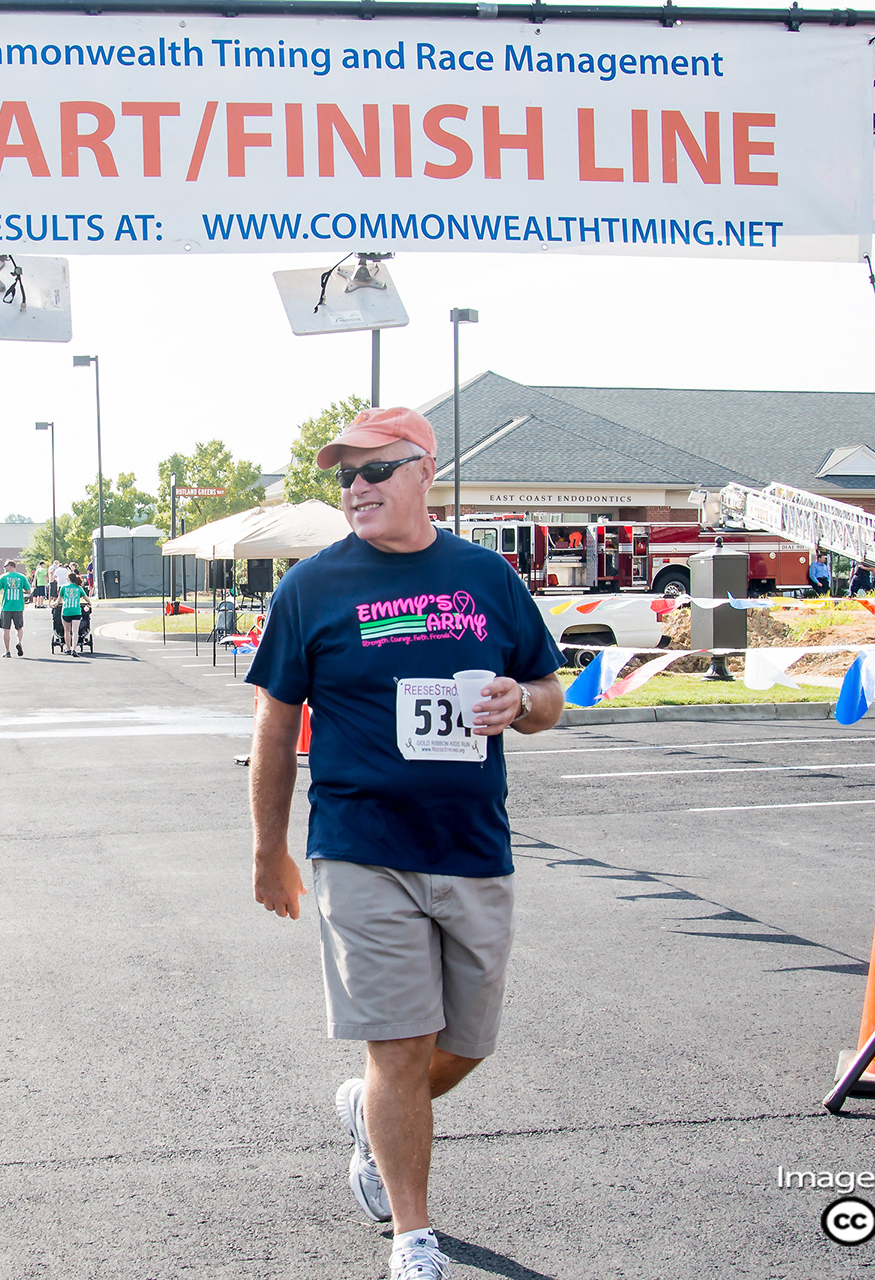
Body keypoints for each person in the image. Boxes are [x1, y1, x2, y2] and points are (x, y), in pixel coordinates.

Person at [243, 406, 565, 1280]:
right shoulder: (311, 587)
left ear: (425, 470)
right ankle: (412, 1238)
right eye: (346, 475)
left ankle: (368, 1113)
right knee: (398, 1045)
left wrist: (521, 704)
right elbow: (275, 723)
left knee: (460, 1049)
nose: (356, 487)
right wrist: (269, 849)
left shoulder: (486, 576)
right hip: (359, 845)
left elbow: (547, 691)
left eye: (375, 470)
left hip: (472, 846)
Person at [0, 559, 30, 657]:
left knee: (6, 629)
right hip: (18, 606)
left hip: (6, 607)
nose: (4, 568)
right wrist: (20, 591)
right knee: (19, 628)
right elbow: (29, 591)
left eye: (5, 566)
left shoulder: (3, 577)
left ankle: (7, 651)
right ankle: (19, 642)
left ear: (9, 566)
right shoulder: (22, 577)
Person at [59, 570, 87, 652]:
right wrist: (89, 603)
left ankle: (68, 648)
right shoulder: (79, 588)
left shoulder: (63, 587)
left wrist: (53, 603)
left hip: (66, 611)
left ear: (68, 579)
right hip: (76, 611)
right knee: (75, 631)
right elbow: (86, 598)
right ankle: (74, 649)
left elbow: (58, 600)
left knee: (67, 630)